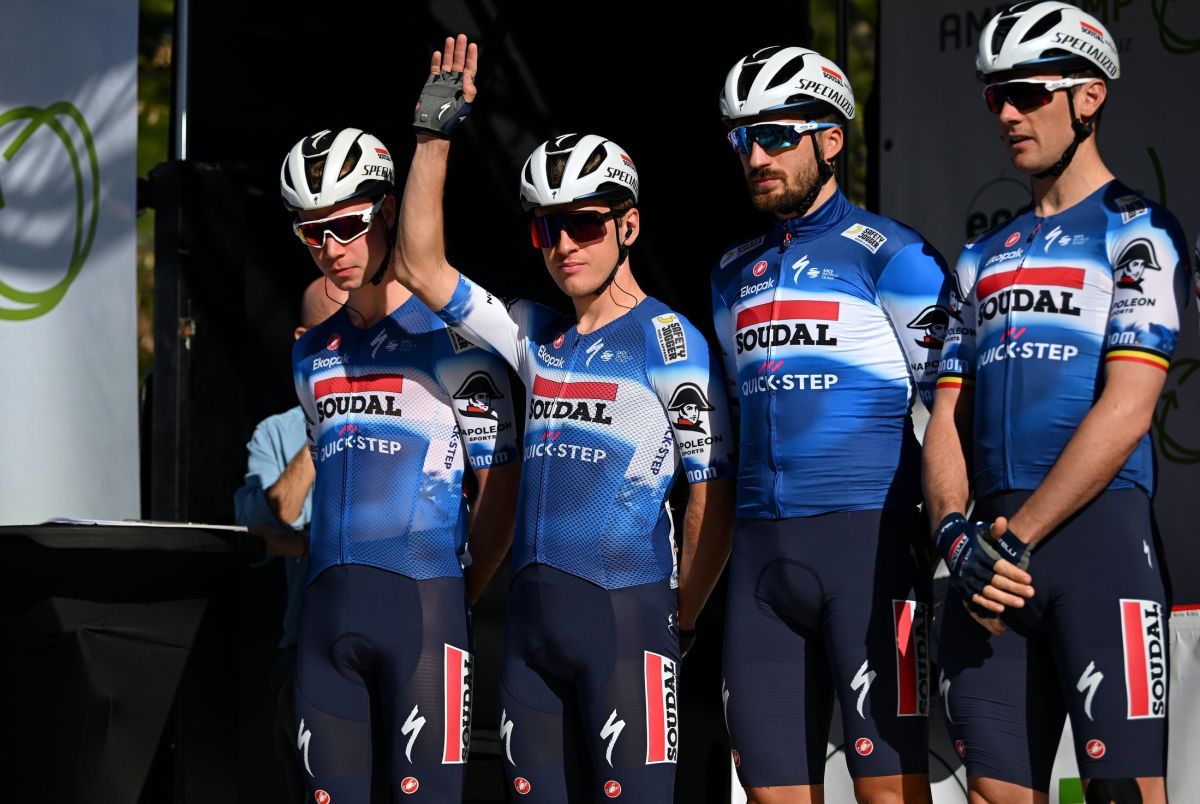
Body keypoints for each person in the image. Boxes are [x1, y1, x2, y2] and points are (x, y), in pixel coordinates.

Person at [393, 35, 736, 803]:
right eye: (546, 228)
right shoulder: (532, 332)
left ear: (628, 226)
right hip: (530, 635)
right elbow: (417, 266)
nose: (564, 245)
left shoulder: (670, 341)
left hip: (627, 623)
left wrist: (678, 617)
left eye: (584, 223)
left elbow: (713, 493)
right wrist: (432, 134)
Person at [923, 4, 1190, 801]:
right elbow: (946, 418)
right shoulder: (979, 256)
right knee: (992, 794)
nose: (1007, 113)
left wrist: (1017, 539)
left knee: (1124, 793)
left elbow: (1129, 408)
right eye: (995, 95)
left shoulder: (1139, 233)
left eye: (1028, 93)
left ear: (1089, 96)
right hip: (987, 558)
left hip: (1094, 544)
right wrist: (953, 535)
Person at [711, 46, 951, 803]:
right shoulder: (730, 272)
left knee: (890, 793)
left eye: (775, 136)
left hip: (869, 553)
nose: (755, 156)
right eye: (742, 138)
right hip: (759, 560)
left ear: (832, 140)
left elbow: (955, 408)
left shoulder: (896, 257)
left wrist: (941, 530)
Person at [281, 126, 521, 801]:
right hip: (325, 622)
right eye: (312, 233)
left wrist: (458, 589)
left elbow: (501, 488)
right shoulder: (310, 353)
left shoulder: (457, 344)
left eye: (348, 226)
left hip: (424, 613)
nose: (332, 249)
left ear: (388, 212)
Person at [234, 275, 347, 801]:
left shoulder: (407, 408)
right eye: (340, 330)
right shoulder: (275, 434)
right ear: (307, 341)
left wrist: (304, 540)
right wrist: (328, 418)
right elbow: (261, 529)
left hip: (395, 635)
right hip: (307, 646)